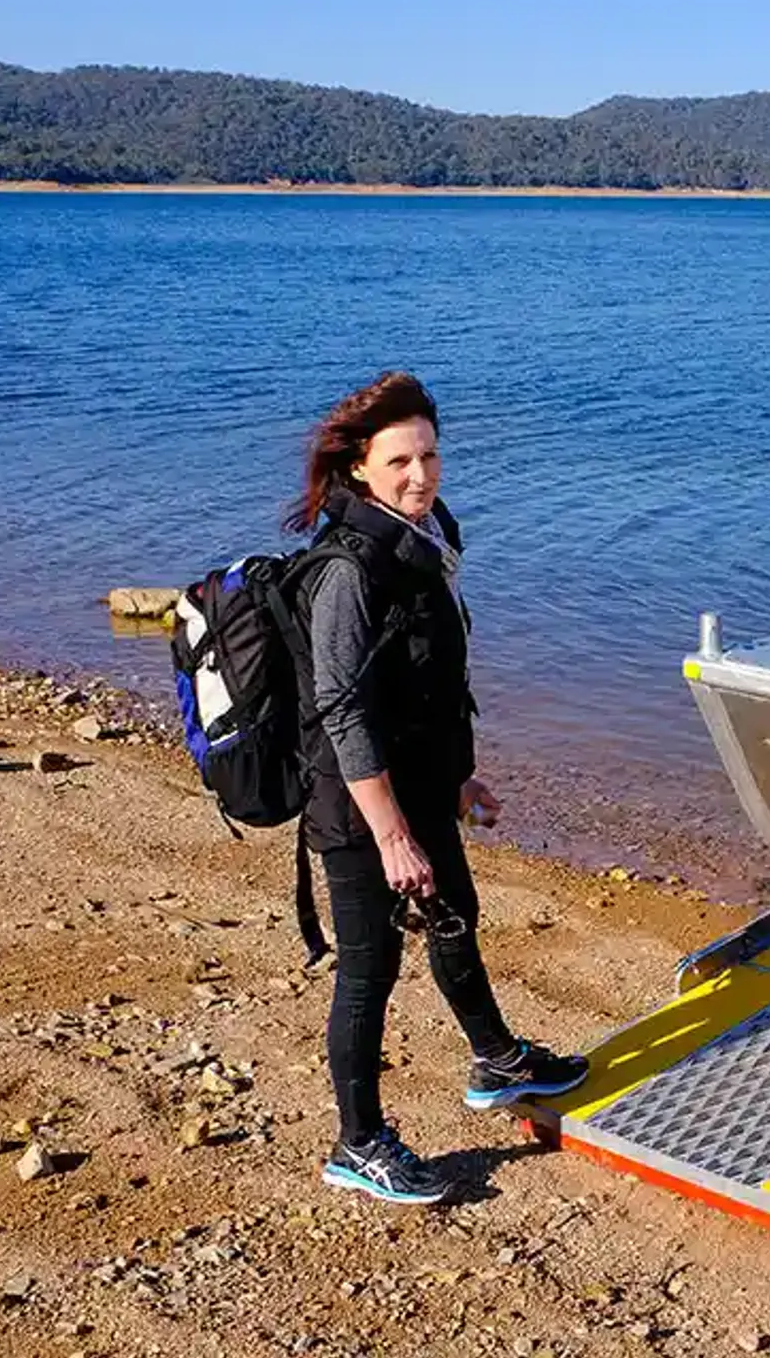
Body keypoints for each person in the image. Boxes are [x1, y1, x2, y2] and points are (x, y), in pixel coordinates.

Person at [288, 371, 587, 1205]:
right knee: (369, 968)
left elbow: (426, 680)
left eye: (429, 455)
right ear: (357, 469)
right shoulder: (346, 569)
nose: (420, 475)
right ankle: (357, 1143)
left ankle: (495, 1058)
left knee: (456, 914)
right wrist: (390, 835)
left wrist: (459, 780)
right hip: (357, 807)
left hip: (420, 783)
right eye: (399, 462)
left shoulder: (420, 538)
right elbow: (343, 711)